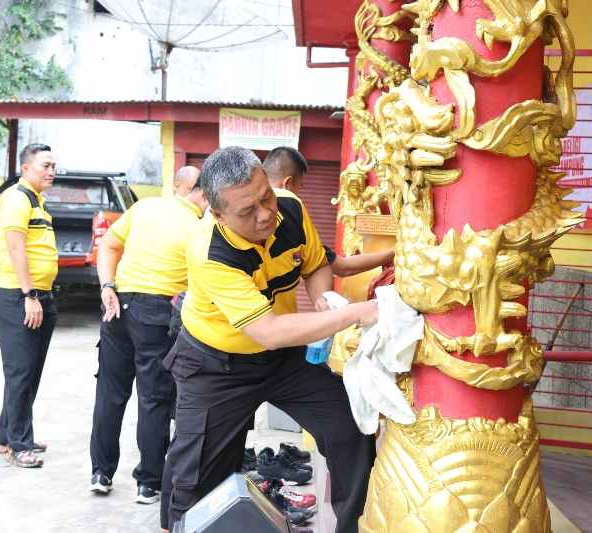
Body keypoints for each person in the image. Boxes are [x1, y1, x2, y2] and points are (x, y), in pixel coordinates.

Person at [163, 147, 378, 533]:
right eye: (247, 211)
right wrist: (355, 313)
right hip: (216, 366)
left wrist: (321, 298)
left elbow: (315, 265)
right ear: (217, 213)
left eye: (266, 196)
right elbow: (269, 332)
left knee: (350, 427)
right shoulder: (209, 252)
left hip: (281, 362)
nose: (265, 214)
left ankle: (352, 527)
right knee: (195, 475)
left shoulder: (290, 208)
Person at [89, 168, 208, 504]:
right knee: (154, 398)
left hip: (118, 305)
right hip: (157, 315)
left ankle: (101, 473)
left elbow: (109, 246)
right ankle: (149, 482)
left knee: (110, 392)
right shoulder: (199, 227)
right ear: (200, 193)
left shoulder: (143, 209)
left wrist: (107, 286)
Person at [0, 143, 58, 469]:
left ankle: (7, 436)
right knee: (20, 373)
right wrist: (30, 295)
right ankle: (19, 445)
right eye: (45, 165)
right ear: (26, 167)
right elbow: (16, 250)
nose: (51, 171)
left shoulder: (37, 202)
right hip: (18, 295)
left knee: (27, 373)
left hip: (40, 295)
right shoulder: (17, 199)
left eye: (53, 166)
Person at [262, 146, 394, 282]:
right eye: (299, 188)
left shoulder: (244, 214)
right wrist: (393, 253)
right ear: (287, 184)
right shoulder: (294, 222)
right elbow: (343, 267)